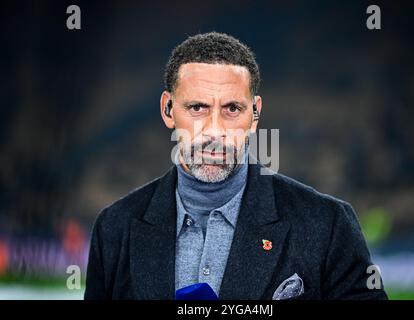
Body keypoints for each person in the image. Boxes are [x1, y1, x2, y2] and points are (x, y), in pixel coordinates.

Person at [84, 32, 388, 300]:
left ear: (255, 114)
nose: (215, 129)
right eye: (197, 107)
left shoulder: (327, 224)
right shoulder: (114, 228)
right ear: (167, 109)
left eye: (232, 108)